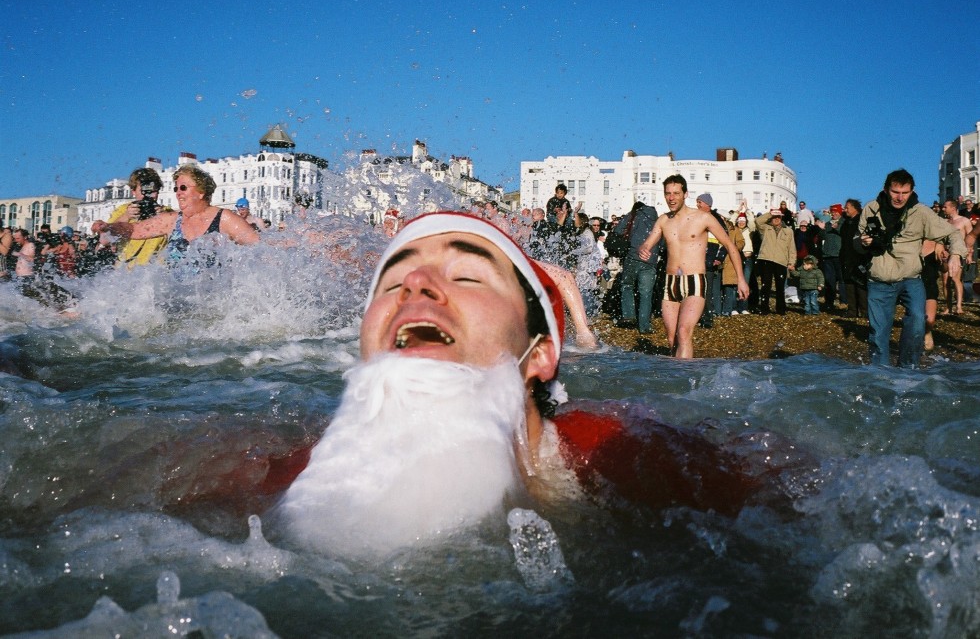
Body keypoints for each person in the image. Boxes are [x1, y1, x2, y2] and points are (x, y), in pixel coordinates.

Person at [277, 212, 797, 557]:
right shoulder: (288, 479)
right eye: (392, 282)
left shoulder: (620, 452)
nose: (415, 283)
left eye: (467, 275)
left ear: (540, 352)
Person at [858, 169, 966, 368]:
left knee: (918, 321)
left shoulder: (921, 212)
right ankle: (880, 375)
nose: (900, 198)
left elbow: (953, 234)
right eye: (895, 192)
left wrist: (956, 255)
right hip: (880, 279)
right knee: (879, 332)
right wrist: (864, 242)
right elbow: (857, 241)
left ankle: (908, 370)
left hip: (911, 278)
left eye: (905, 193)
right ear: (886, 189)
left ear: (912, 191)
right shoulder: (871, 209)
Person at [637, 175, 748, 358]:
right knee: (672, 339)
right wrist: (644, 250)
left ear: (685, 194)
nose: (671, 198)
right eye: (668, 194)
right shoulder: (663, 220)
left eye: (676, 193)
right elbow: (647, 244)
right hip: (670, 282)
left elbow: (730, 246)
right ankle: (678, 380)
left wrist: (741, 280)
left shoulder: (703, 218)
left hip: (695, 281)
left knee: (683, 331)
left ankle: (686, 379)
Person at [92, 165, 260, 261]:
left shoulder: (225, 219)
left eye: (183, 188)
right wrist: (108, 227)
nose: (178, 193)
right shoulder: (171, 220)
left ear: (201, 192)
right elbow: (133, 230)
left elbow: (259, 246)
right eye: (176, 188)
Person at [107, 168, 171, 267]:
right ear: (133, 191)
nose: (149, 196)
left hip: (155, 272)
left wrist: (164, 219)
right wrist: (126, 217)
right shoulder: (123, 210)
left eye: (153, 191)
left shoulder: (167, 212)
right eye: (144, 191)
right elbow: (106, 238)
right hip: (126, 272)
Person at [613, 200, 660, 333]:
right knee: (646, 293)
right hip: (651, 259)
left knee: (627, 285)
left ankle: (629, 315)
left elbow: (619, 229)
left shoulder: (635, 215)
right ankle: (644, 326)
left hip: (633, 255)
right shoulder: (657, 218)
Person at [754, 210, 796, 315]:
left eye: (778, 217)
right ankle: (764, 309)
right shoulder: (766, 229)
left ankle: (781, 309)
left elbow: (792, 248)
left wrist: (791, 262)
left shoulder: (788, 231)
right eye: (774, 217)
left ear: (781, 219)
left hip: (781, 261)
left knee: (780, 286)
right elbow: (758, 221)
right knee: (765, 285)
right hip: (766, 259)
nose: (776, 219)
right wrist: (769, 214)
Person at [695, 193, 728, 326]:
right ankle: (697, 317)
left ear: (707, 204)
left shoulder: (716, 220)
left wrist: (719, 258)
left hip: (709, 261)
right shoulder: (697, 217)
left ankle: (707, 319)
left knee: (706, 292)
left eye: (700, 202)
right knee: (696, 291)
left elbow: (725, 241)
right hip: (696, 260)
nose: (697, 205)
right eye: (697, 202)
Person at [941, 199, 972, 315]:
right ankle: (948, 306)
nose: (943, 209)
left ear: (953, 208)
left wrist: (969, 254)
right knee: (945, 282)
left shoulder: (964, 220)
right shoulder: (944, 222)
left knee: (955, 279)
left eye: (945, 207)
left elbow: (970, 239)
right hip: (945, 253)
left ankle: (958, 306)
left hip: (958, 253)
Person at [839, 199, 867, 318]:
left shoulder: (861, 221)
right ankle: (852, 310)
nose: (845, 210)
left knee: (861, 284)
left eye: (847, 207)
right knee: (849, 283)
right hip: (846, 256)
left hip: (860, 257)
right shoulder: (846, 222)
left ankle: (865, 311)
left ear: (855, 208)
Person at [814, 204, 845, 311]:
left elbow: (846, 235)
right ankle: (829, 302)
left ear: (840, 212)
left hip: (840, 255)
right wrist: (821, 229)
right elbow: (822, 237)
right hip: (827, 256)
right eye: (832, 212)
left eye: (836, 211)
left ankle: (843, 301)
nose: (834, 213)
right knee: (829, 280)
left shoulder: (844, 223)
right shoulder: (827, 224)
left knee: (842, 280)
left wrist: (838, 228)